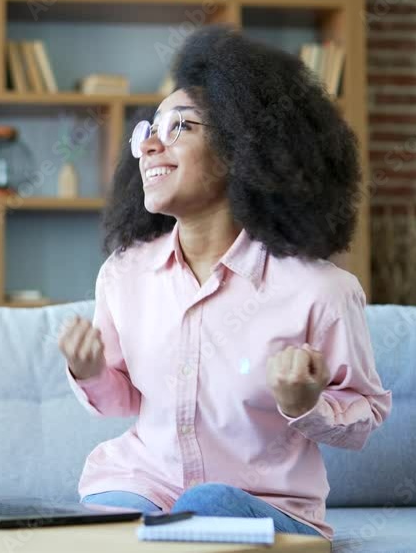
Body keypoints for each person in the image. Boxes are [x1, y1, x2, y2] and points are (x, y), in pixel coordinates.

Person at [57, 26, 391, 541]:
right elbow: (123, 402)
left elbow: (365, 414)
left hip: (266, 505)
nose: (148, 145)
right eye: (148, 129)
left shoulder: (321, 292)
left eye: (179, 128)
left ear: (240, 150)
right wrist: (92, 370)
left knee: (205, 506)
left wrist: (306, 404)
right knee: (111, 513)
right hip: (146, 483)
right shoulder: (124, 275)